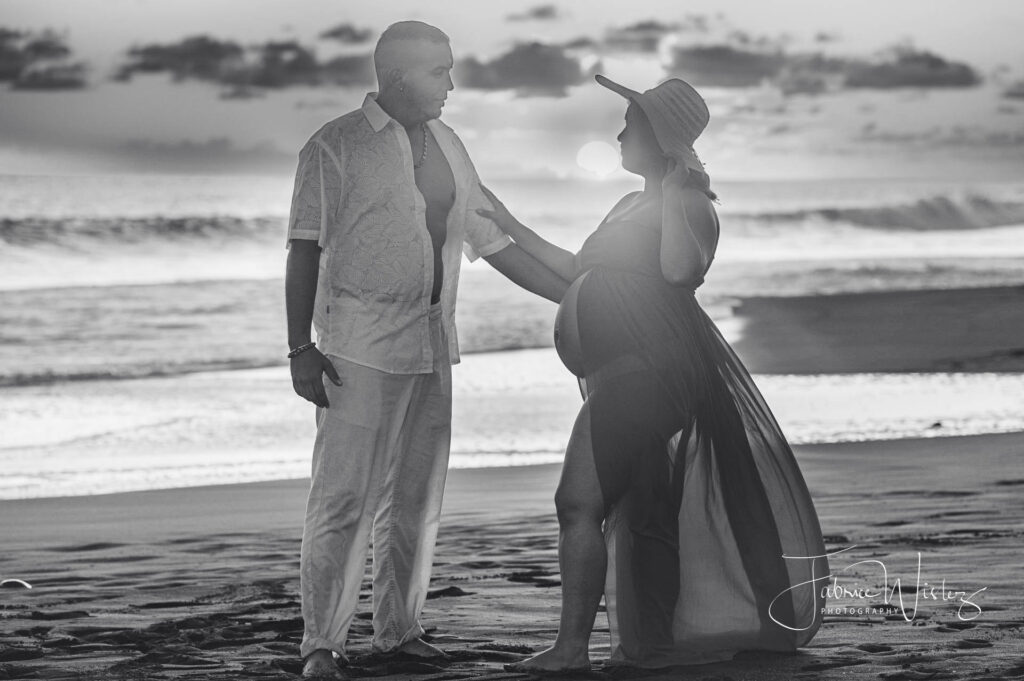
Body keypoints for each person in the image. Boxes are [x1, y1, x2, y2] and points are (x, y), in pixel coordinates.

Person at [476, 74, 830, 672]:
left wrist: (675, 185)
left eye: (630, 124)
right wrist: (501, 220)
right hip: (624, 371)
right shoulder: (626, 204)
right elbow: (575, 273)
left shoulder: (690, 203)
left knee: (577, 502)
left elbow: (678, 271)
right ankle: (652, 649)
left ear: (659, 136)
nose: (618, 134)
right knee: (642, 509)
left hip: (653, 371)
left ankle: (570, 651)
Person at [284, 21, 567, 680]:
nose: (451, 84)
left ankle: (398, 631)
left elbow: (491, 243)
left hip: (433, 344)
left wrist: (578, 297)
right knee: (343, 500)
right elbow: (303, 246)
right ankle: (321, 645)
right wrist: (299, 346)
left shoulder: (448, 143)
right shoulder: (335, 146)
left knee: (415, 499)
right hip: (357, 349)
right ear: (399, 74)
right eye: (440, 71)